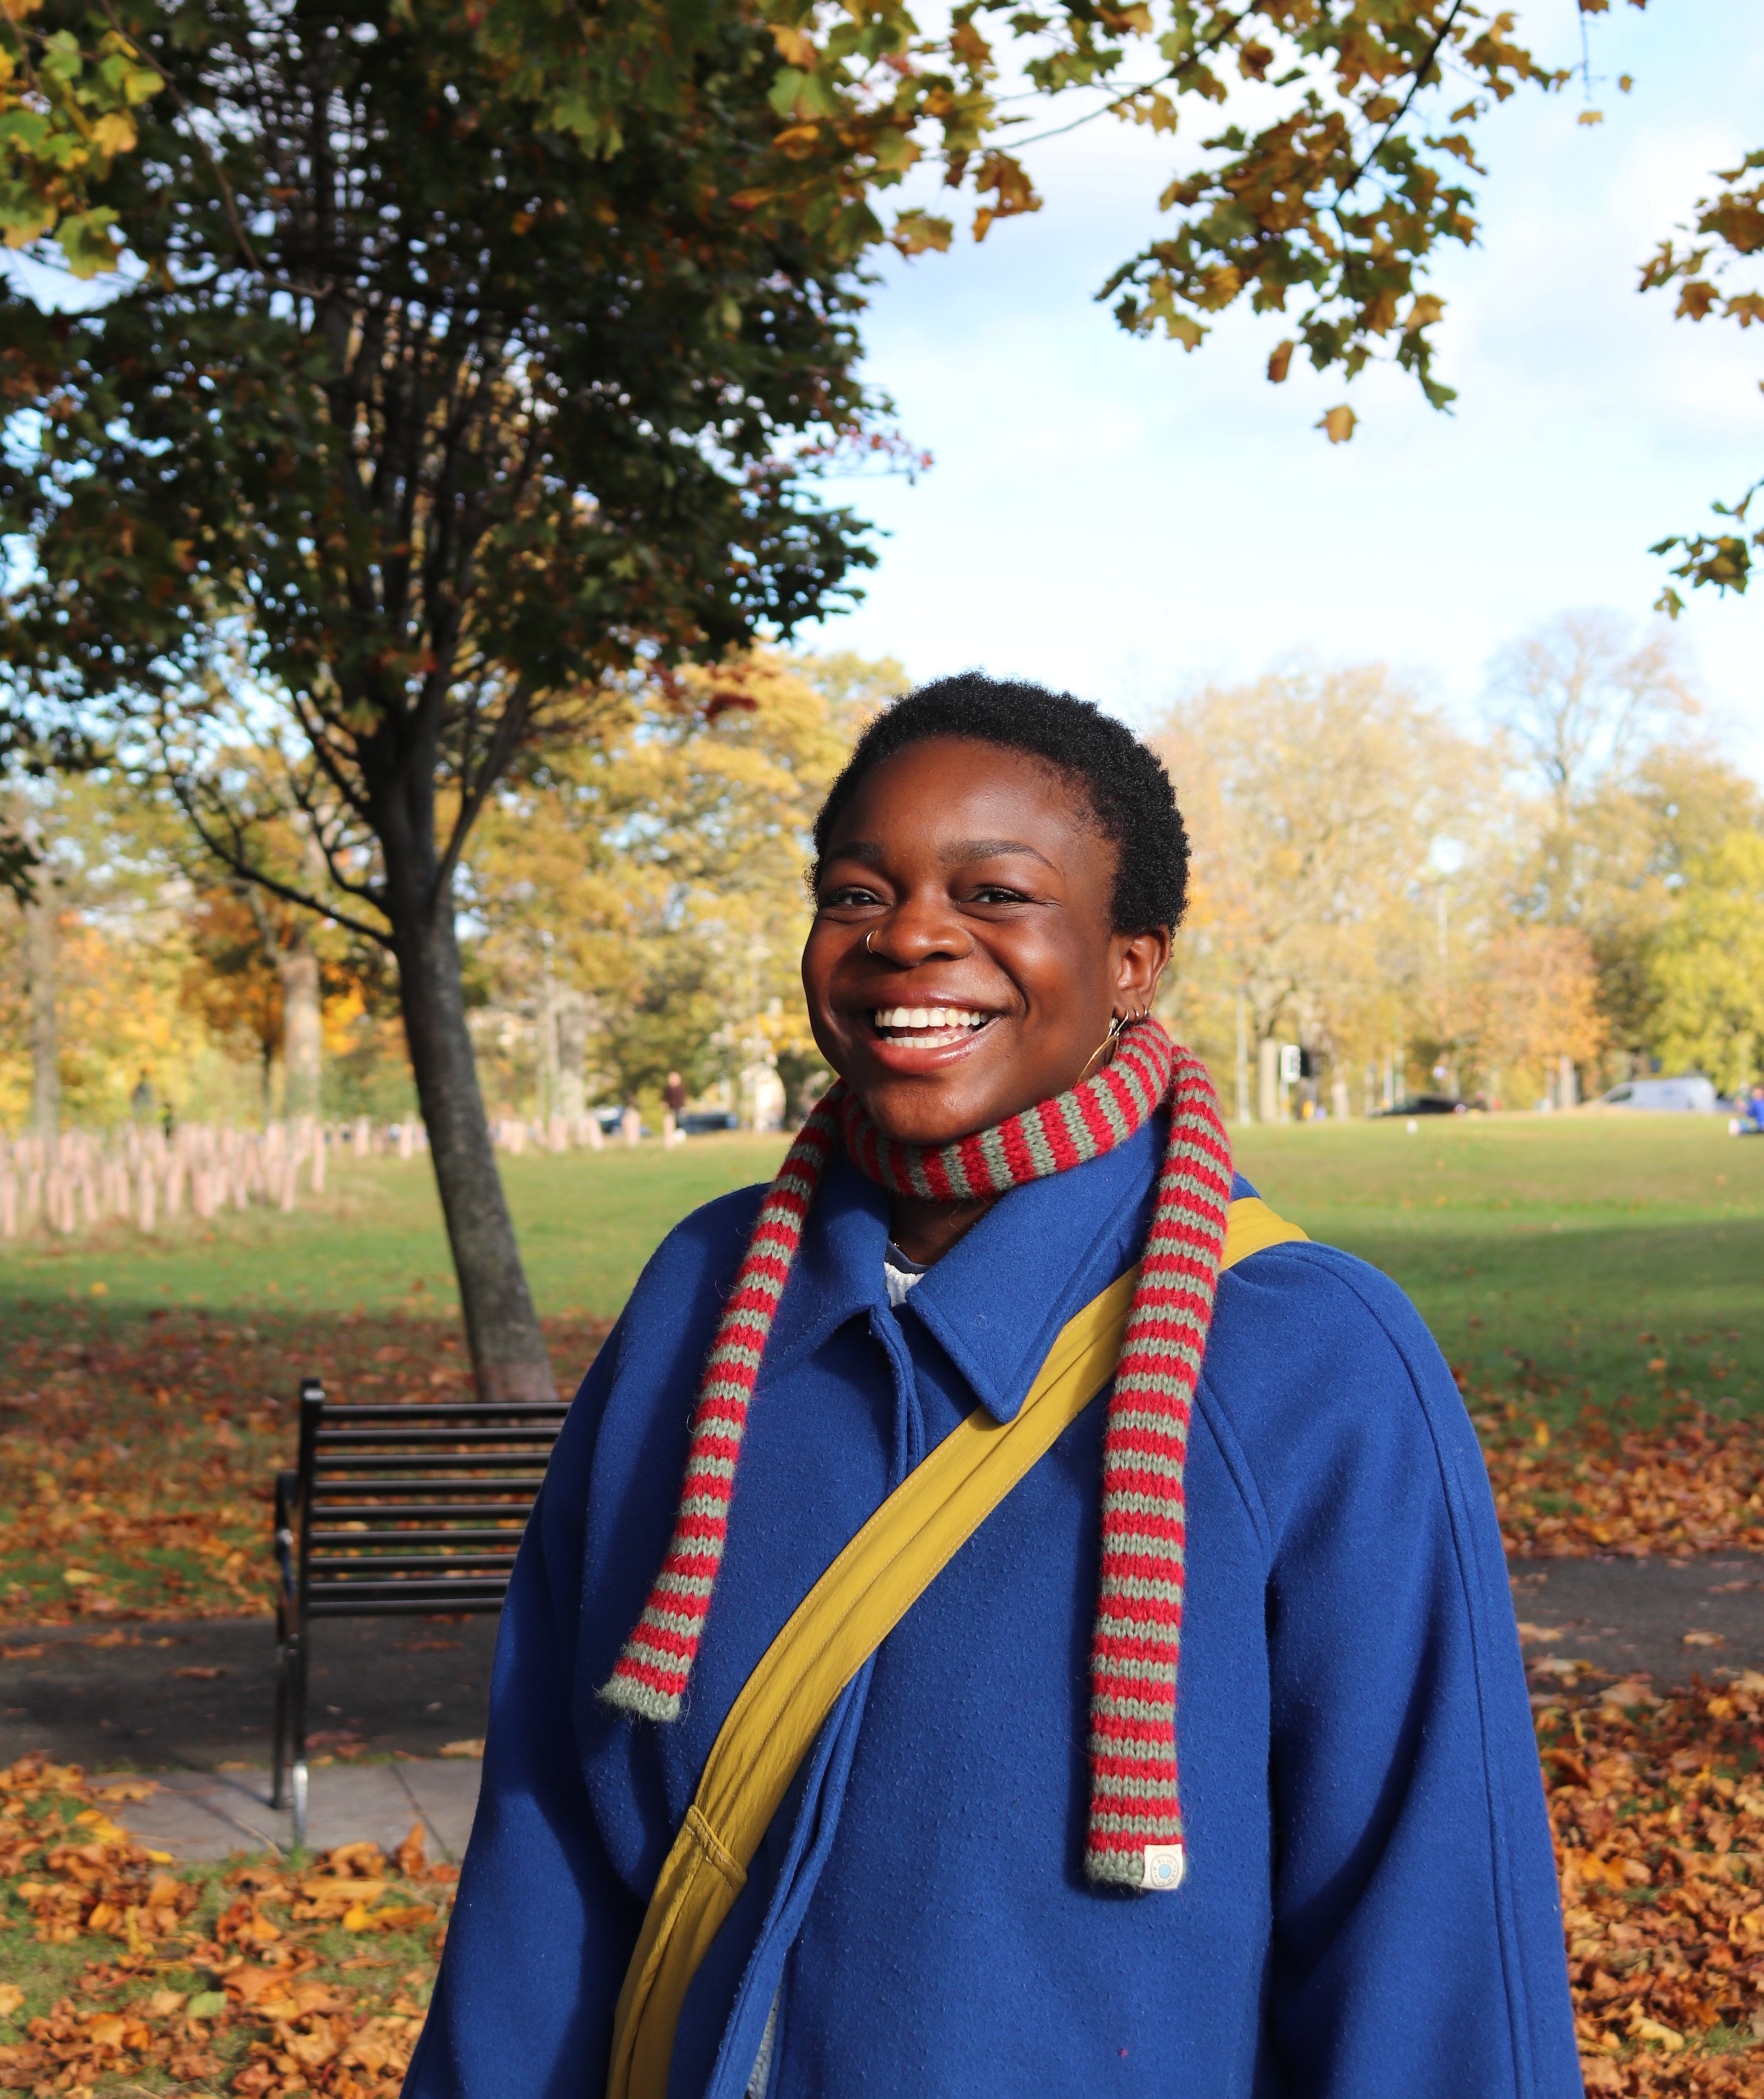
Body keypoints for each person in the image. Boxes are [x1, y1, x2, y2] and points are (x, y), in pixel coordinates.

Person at [407, 676, 1579, 2099]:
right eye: (856, 894)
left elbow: (1433, 1944)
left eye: (995, 894)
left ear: (1134, 962)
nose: (909, 935)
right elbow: (546, 1834)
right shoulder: (699, 1303)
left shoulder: (1306, 1361)